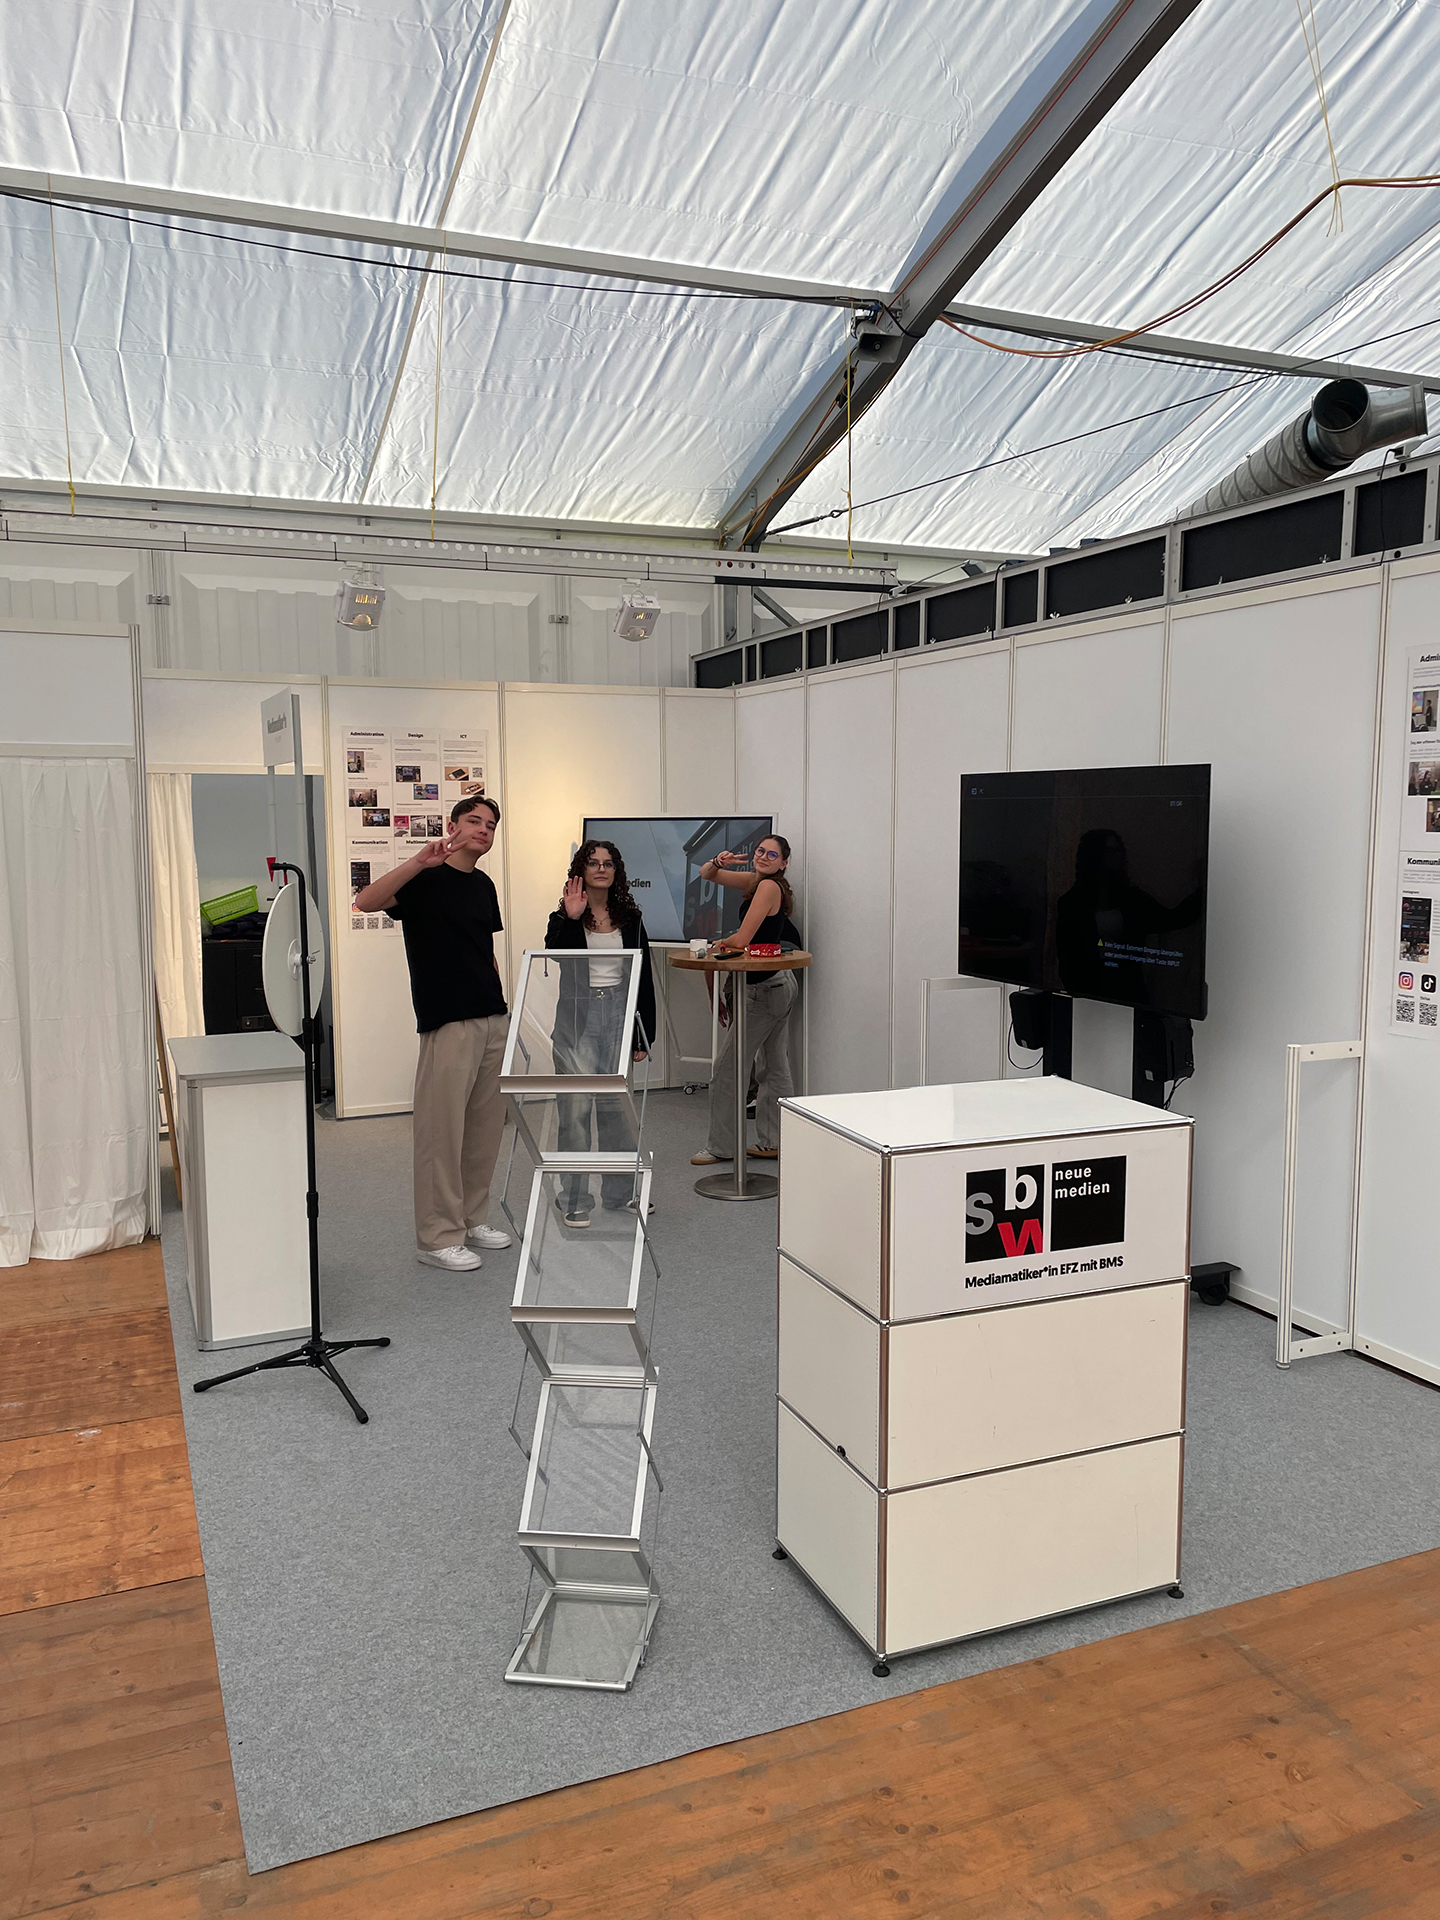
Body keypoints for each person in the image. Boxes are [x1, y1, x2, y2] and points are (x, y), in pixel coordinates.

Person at [352, 793, 512, 1273]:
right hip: (447, 1020)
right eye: (474, 821)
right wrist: (418, 862)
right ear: (453, 825)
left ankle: (471, 1218)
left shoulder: (483, 885)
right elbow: (365, 901)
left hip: (491, 1017)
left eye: (490, 825)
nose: (483, 830)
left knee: (484, 1130)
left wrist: (502, 1007)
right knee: (441, 1134)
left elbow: (484, 950)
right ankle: (437, 1237)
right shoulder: (423, 878)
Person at [544, 840, 657, 1226]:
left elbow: (644, 976)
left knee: (617, 1111)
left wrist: (643, 1033)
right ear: (581, 870)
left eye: (608, 863)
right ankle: (574, 1198)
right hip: (580, 1019)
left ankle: (620, 1194)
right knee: (575, 1112)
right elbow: (555, 953)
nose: (601, 869)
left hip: (619, 1015)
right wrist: (572, 916)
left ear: (616, 871)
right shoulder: (564, 915)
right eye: (593, 863)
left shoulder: (631, 917)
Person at [691, 835, 801, 1167]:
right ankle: (776, 1142)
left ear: (784, 863)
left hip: (764, 991)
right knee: (775, 1066)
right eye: (760, 851)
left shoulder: (767, 887)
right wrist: (719, 861)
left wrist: (716, 945)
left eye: (772, 854)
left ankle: (721, 1147)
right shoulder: (758, 881)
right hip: (779, 984)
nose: (763, 857)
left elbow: (742, 939)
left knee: (728, 1069)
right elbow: (706, 874)